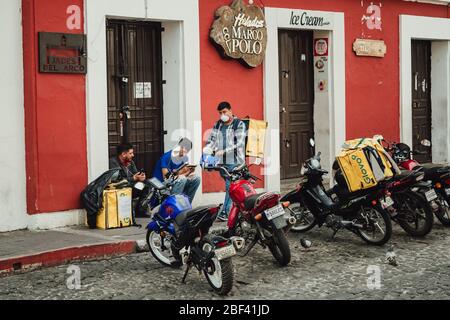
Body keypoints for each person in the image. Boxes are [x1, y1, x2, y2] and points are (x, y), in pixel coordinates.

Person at [204, 101, 246, 221]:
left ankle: (225, 213)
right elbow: (212, 140)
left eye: (224, 112)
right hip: (221, 162)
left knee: (230, 185)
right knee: (232, 187)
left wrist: (224, 151)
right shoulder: (218, 124)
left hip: (235, 161)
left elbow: (239, 143)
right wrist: (208, 149)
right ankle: (238, 210)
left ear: (230, 111)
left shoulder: (239, 124)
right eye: (220, 113)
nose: (222, 114)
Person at [152, 138, 200, 204]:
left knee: (196, 178)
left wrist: (189, 172)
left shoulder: (184, 159)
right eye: (183, 148)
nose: (185, 150)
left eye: (187, 149)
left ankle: (186, 205)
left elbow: (180, 176)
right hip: (162, 184)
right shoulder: (167, 157)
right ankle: (173, 205)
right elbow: (166, 177)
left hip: (175, 182)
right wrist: (182, 175)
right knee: (182, 179)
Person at [109, 142, 150, 217]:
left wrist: (141, 177)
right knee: (136, 186)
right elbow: (117, 180)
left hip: (131, 186)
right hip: (120, 187)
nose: (133, 155)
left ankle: (140, 210)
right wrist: (133, 178)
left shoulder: (130, 162)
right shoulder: (113, 162)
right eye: (130, 153)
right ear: (124, 154)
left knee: (146, 185)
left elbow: (135, 173)